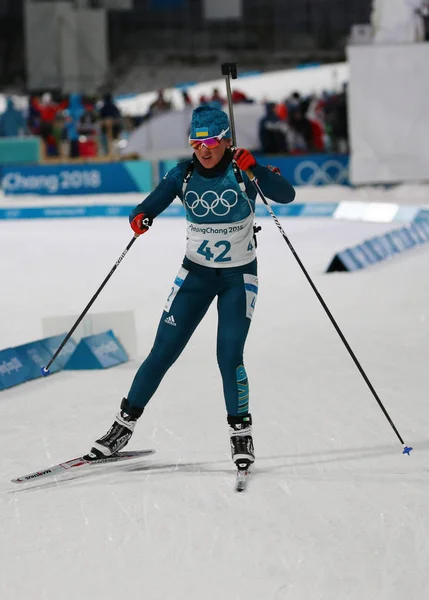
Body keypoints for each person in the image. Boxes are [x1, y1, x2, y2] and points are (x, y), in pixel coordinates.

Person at [89, 105, 296, 471]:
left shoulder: (242, 170)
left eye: (212, 141)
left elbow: (286, 195)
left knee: (229, 355)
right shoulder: (182, 174)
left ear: (226, 141)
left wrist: (257, 169)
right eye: (197, 142)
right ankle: (121, 428)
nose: (204, 149)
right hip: (195, 277)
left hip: (238, 278)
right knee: (162, 351)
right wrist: (140, 218)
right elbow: (147, 204)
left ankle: (240, 433)